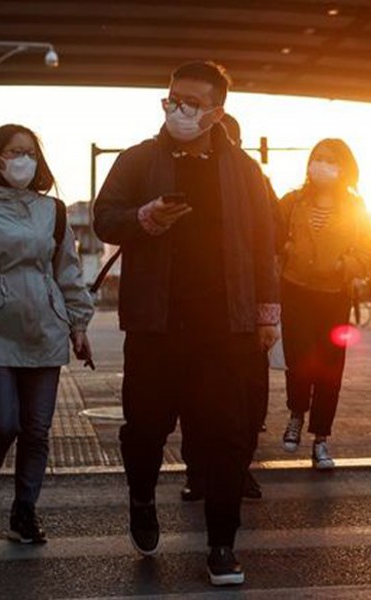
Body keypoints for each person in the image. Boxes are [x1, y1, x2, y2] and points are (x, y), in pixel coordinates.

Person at [93, 60, 279, 587]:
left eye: (191, 103)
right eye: (172, 99)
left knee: (226, 436)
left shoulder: (244, 171)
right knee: (146, 429)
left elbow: (264, 243)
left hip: (226, 328)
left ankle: (222, 544)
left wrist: (268, 314)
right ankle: (142, 497)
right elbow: (106, 217)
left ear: (217, 112)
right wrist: (145, 217)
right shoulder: (137, 159)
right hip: (155, 323)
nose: (178, 109)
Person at [0, 124, 94, 544]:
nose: (22, 159)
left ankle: (24, 512)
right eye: (13, 151)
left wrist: (79, 323)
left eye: (29, 151)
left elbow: (68, 272)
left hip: (44, 328)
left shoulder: (54, 211)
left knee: (37, 429)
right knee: (2, 422)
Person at [179, 112, 275, 502]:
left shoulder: (252, 177)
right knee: (194, 399)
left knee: (250, 400)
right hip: (194, 308)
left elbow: (272, 239)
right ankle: (198, 472)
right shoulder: (182, 175)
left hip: (245, 310)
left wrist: (267, 313)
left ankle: (239, 469)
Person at [278, 138, 371, 469]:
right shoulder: (291, 201)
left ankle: (321, 438)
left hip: (334, 296)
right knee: (300, 359)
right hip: (295, 290)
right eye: (316, 157)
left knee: (330, 368)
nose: (321, 164)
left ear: (343, 167)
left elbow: (366, 254)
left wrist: (342, 267)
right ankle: (296, 415)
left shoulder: (355, 208)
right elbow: (271, 240)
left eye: (330, 159)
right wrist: (286, 253)